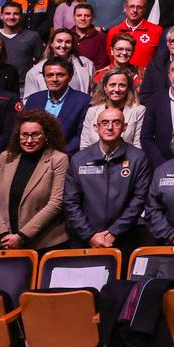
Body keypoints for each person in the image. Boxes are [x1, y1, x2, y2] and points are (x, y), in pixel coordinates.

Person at [64, 106, 149, 253]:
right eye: (105, 123)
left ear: (125, 127)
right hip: (85, 240)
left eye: (116, 123)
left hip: (123, 239)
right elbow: (71, 202)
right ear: (96, 127)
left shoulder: (138, 158)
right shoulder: (79, 159)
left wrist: (114, 232)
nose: (110, 127)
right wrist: (90, 235)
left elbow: (139, 200)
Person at [0, 110, 70, 254]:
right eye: (24, 135)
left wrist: (21, 236)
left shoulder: (58, 159)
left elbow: (56, 203)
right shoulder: (5, 157)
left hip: (43, 243)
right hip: (3, 242)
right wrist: (3, 235)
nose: (29, 141)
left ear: (47, 135)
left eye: (35, 135)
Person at [23, 58, 91, 154]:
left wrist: (58, 155)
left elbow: (80, 136)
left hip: (65, 156)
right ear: (44, 78)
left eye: (60, 75)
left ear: (70, 77)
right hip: (33, 154)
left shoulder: (83, 101)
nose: (54, 79)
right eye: (49, 75)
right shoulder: (34, 99)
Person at [79, 69, 141, 150]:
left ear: (128, 89)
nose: (117, 89)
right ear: (105, 87)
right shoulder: (92, 111)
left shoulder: (138, 111)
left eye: (122, 85)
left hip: (127, 160)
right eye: (112, 85)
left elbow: (138, 146)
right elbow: (85, 144)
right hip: (94, 160)